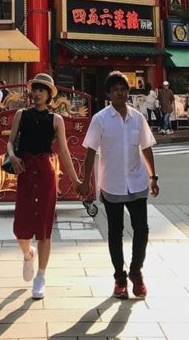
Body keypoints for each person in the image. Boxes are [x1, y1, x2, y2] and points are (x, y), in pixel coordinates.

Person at [80, 71, 158, 299]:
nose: (120, 93)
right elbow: (90, 152)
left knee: (142, 229)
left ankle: (136, 271)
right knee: (115, 233)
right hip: (112, 184)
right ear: (109, 94)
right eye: (115, 89)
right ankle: (119, 278)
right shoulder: (100, 119)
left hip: (137, 182)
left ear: (128, 91)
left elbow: (146, 148)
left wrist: (153, 177)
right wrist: (86, 181)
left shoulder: (138, 118)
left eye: (123, 89)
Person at [8, 73, 81, 300]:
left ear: (49, 94)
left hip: (46, 172)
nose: (38, 93)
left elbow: (64, 152)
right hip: (26, 170)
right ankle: (27, 254)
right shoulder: (21, 115)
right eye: (36, 89)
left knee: (44, 228)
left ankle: (41, 275)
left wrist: (76, 180)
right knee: (21, 228)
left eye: (42, 89)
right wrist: (13, 156)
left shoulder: (56, 120)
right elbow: (10, 141)